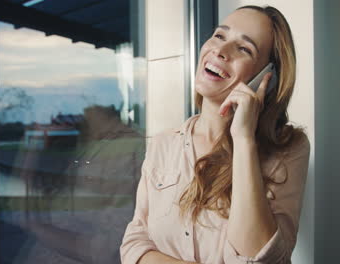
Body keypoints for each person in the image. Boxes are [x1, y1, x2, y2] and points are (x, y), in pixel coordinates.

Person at [120, 5, 310, 264]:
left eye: (244, 49)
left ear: (268, 78)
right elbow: (133, 243)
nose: (220, 51)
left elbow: (262, 258)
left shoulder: (289, 148)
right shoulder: (163, 144)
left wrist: (244, 139)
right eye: (220, 36)